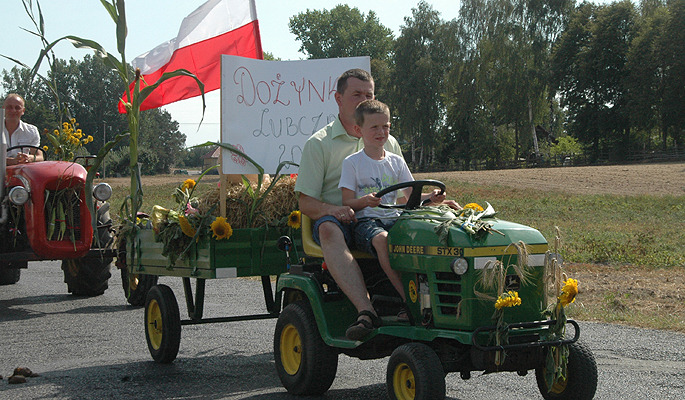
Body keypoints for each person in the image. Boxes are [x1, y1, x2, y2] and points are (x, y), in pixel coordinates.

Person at [295, 69, 404, 340]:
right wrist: (334, 210)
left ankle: (420, 304)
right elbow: (305, 202)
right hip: (342, 217)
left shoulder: (388, 140)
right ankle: (366, 312)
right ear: (338, 98)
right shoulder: (319, 144)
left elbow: (402, 191)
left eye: (369, 95)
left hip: (383, 216)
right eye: (356, 94)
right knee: (327, 230)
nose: (362, 99)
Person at [339, 100, 458, 338]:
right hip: (367, 222)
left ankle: (440, 297)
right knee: (383, 240)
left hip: (394, 217)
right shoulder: (352, 163)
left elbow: (410, 195)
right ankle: (409, 301)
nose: (381, 132)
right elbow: (347, 202)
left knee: (426, 235)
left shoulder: (396, 160)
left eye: (385, 126)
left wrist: (431, 198)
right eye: (374, 127)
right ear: (359, 131)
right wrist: (366, 201)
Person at [3, 93, 43, 165]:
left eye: (17, 108)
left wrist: (29, 158)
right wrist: (12, 161)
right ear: (3, 108)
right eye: (9, 107)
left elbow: (40, 156)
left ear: (23, 111)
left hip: (22, 173)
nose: (13, 110)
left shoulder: (31, 131)